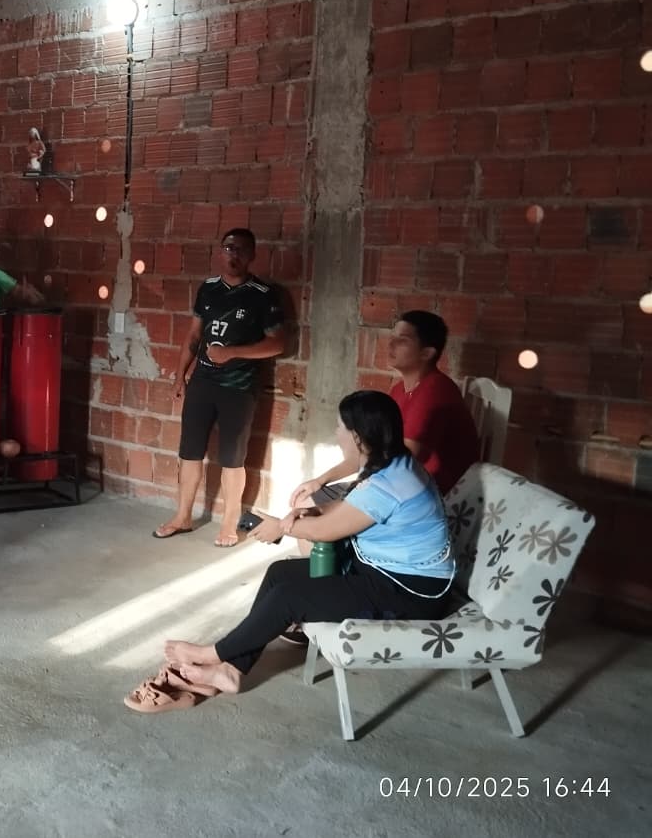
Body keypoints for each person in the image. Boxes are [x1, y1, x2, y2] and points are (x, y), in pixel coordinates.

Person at [125, 390, 455, 713]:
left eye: (340, 427)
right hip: (384, 571)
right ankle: (232, 670)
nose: (336, 433)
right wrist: (310, 512)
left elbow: (326, 531)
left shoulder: (390, 484)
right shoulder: (393, 463)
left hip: (410, 591)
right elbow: (354, 507)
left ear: (357, 437)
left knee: (289, 597)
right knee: (280, 573)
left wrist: (280, 528)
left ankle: (213, 654)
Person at [152, 228, 285, 546]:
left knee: (232, 458)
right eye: (228, 248)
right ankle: (182, 516)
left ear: (252, 255)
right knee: (189, 452)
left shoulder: (263, 294)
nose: (233, 255)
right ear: (219, 252)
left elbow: (278, 343)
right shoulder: (208, 288)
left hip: (239, 387)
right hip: (202, 381)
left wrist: (232, 353)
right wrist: (180, 376)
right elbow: (193, 335)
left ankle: (228, 525)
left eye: (240, 250)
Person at [289, 310, 479, 511]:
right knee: (306, 501)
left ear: (427, 353)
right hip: (396, 483)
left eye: (402, 340)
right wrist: (320, 481)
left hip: (424, 494)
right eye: (392, 337)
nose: (391, 344)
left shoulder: (435, 390)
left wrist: (354, 489)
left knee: (309, 508)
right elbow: (376, 454)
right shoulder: (399, 390)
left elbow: (400, 460)